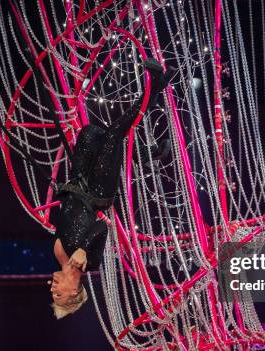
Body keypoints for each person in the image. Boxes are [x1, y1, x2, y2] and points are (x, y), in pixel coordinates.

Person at [49, 58, 174, 319]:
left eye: (53, 293)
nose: (52, 288)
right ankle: (156, 86)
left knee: (90, 133)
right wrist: (83, 247)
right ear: (75, 291)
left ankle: (147, 155)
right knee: (115, 134)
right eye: (58, 294)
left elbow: (64, 216)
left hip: (78, 182)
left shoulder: (57, 254)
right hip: (99, 193)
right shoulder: (90, 262)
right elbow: (101, 227)